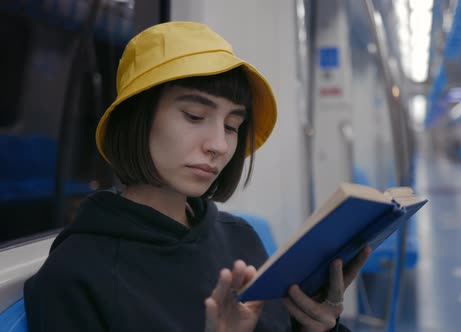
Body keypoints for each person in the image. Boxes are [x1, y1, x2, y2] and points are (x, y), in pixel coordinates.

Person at [24, 21, 370, 331]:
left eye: (232, 125)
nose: (219, 144)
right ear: (137, 120)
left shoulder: (240, 238)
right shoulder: (75, 277)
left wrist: (318, 327)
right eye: (193, 116)